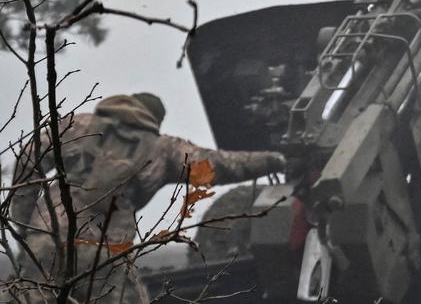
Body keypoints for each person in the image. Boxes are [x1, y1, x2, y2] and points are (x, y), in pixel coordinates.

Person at [8, 92, 286, 304]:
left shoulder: (76, 124)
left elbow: (27, 160)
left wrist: (26, 224)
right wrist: (273, 160)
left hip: (46, 240)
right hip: (105, 251)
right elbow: (217, 166)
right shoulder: (163, 148)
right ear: (155, 120)